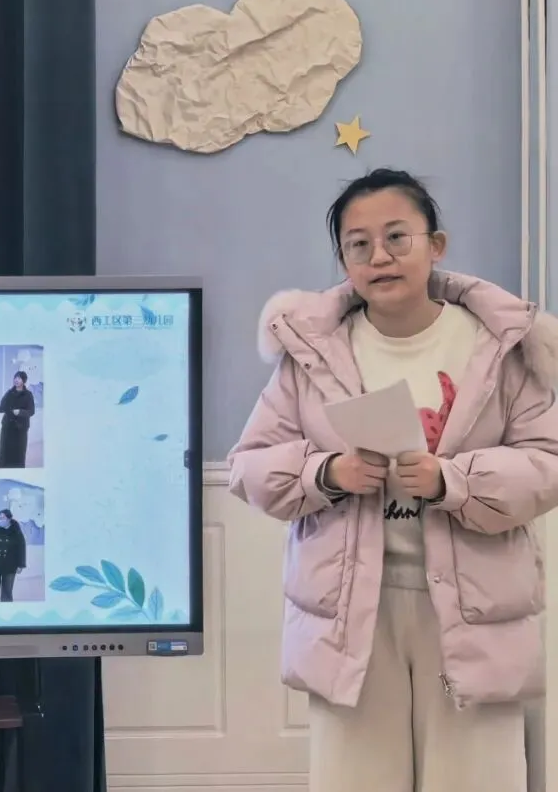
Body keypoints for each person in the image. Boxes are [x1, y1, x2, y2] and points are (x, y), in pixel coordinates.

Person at [227, 168, 558, 792]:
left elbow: (547, 461)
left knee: (475, 778)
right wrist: (328, 472)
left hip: (473, 609)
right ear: (345, 261)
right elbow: (249, 465)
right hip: (350, 610)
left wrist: (453, 482)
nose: (379, 256)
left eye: (397, 237)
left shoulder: (500, 347)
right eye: (359, 244)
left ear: (436, 245)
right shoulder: (312, 352)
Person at [0, 371, 35, 468]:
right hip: (7, 428)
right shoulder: (9, 393)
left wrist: (20, 412)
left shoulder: (28, 395)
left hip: (20, 430)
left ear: (24, 380)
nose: (16, 380)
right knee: (5, 453)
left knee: (19, 453)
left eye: (19, 378)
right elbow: (2, 408)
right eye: (15, 377)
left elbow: (31, 411)